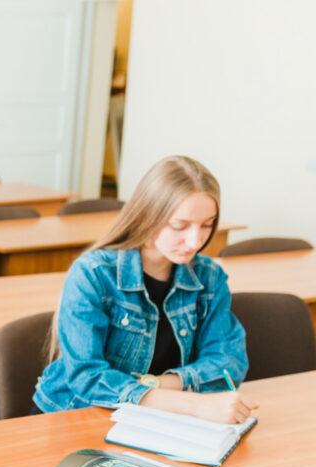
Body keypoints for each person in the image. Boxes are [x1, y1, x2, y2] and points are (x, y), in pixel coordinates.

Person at [33, 155, 257, 424]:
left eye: (207, 224)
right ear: (147, 217)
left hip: (157, 419)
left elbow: (228, 362)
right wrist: (191, 403)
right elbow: (87, 376)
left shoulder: (209, 277)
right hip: (77, 414)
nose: (196, 240)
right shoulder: (93, 273)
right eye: (180, 226)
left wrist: (159, 384)